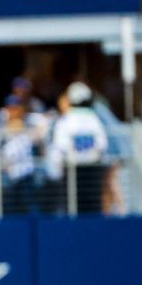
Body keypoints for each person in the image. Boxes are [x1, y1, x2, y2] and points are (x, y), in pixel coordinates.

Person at [46, 81, 109, 215]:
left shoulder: (66, 121)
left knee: (75, 209)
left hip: (77, 171)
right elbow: (102, 145)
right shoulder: (95, 120)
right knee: (90, 208)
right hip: (87, 171)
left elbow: (60, 148)